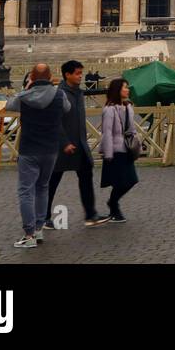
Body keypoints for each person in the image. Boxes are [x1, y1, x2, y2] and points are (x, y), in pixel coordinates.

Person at [6, 63, 70, 248]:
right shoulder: (60, 94)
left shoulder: (25, 96)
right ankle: (40, 229)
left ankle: (29, 234)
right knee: (43, 188)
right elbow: (67, 108)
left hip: (29, 149)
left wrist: (26, 88)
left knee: (26, 191)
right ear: (51, 77)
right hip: (50, 150)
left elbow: (9, 105)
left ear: (32, 77)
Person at [46, 60, 109, 229]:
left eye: (81, 73)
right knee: (52, 182)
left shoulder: (79, 93)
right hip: (62, 147)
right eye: (77, 73)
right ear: (67, 74)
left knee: (86, 179)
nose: (80, 76)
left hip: (80, 145)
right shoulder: (59, 94)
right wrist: (64, 142)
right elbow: (55, 121)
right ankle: (44, 216)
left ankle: (90, 214)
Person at [98, 78, 139, 222]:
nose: (127, 90)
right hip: (115, 150)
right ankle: (114, 207)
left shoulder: (128, 107)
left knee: (131, 180)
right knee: (120, 181)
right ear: (117, 90)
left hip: (127, 148)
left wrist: (136, 143)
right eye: (125, 87)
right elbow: (107, 132)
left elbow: (132, 128)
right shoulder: (109, 110)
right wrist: (108, 153)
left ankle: (112, 202)